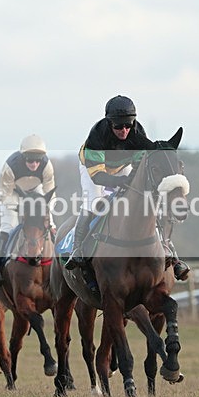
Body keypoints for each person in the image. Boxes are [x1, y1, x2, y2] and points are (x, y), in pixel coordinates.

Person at [64, 95, 190, 280]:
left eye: (128, 125)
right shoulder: (97, 136)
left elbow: (140, 167)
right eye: (118, 126)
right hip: (94, 169)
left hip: (122, 167)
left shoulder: (139, 134)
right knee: (93, 202)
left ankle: (168, 249)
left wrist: (131, 184)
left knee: (144, 202)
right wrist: (119, 183)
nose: (124, 130)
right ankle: (77, 249)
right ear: (109, 123)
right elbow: (98, 176)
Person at [0, 134, 56, 290]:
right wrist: (22, 208)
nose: (35, 164)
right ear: (24, 157)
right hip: (13, 194)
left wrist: (48, 217)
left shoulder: (47, 166)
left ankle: (59, 266)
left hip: (36, 190)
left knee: (49, 224)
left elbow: (50, 192)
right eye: (31, 160)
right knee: (8, 227)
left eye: (38, 160)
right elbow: (4, 194)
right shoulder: (11, 166)